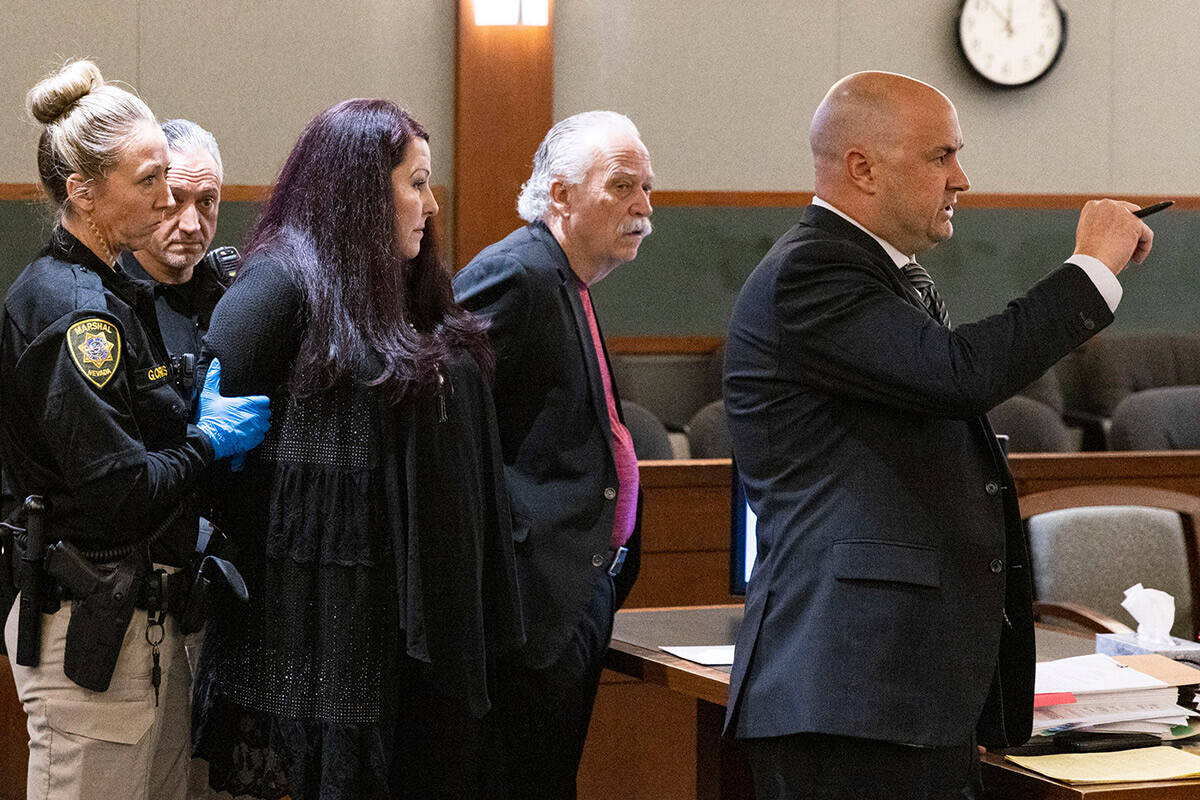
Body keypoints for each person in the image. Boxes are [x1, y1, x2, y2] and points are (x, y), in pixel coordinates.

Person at [723, 71, 1154, 800]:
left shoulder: (883, 273)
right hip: (852, 690)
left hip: (905, 690)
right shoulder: (814, 270)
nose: (962, 178)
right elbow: (960, 374)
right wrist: (1089, 269)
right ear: (861, 167)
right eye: (940, 156)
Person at [190, 98, 524, 800]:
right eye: (416, 182)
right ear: (361, 190)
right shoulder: (280, 282)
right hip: (303, 638)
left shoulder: (393, 286)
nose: (431, 204)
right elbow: (208, 443)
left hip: (383, 632)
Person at [0, 60, 270, 800]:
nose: (167, 199)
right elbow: (119, 489)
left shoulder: (112, 291)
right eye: (149, 180)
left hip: (144, 628)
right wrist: (207, 441)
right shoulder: (74, 312)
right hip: (90, 624)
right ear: (84, 192)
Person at [453, 109, 653, 798]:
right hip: (532, 603)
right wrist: (519, 549)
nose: (644, 207)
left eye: (647, 189)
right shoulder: (519, 275)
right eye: (623, 185)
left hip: (574, 590)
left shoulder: (567, 279)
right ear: (561, 195)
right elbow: (441, 420)